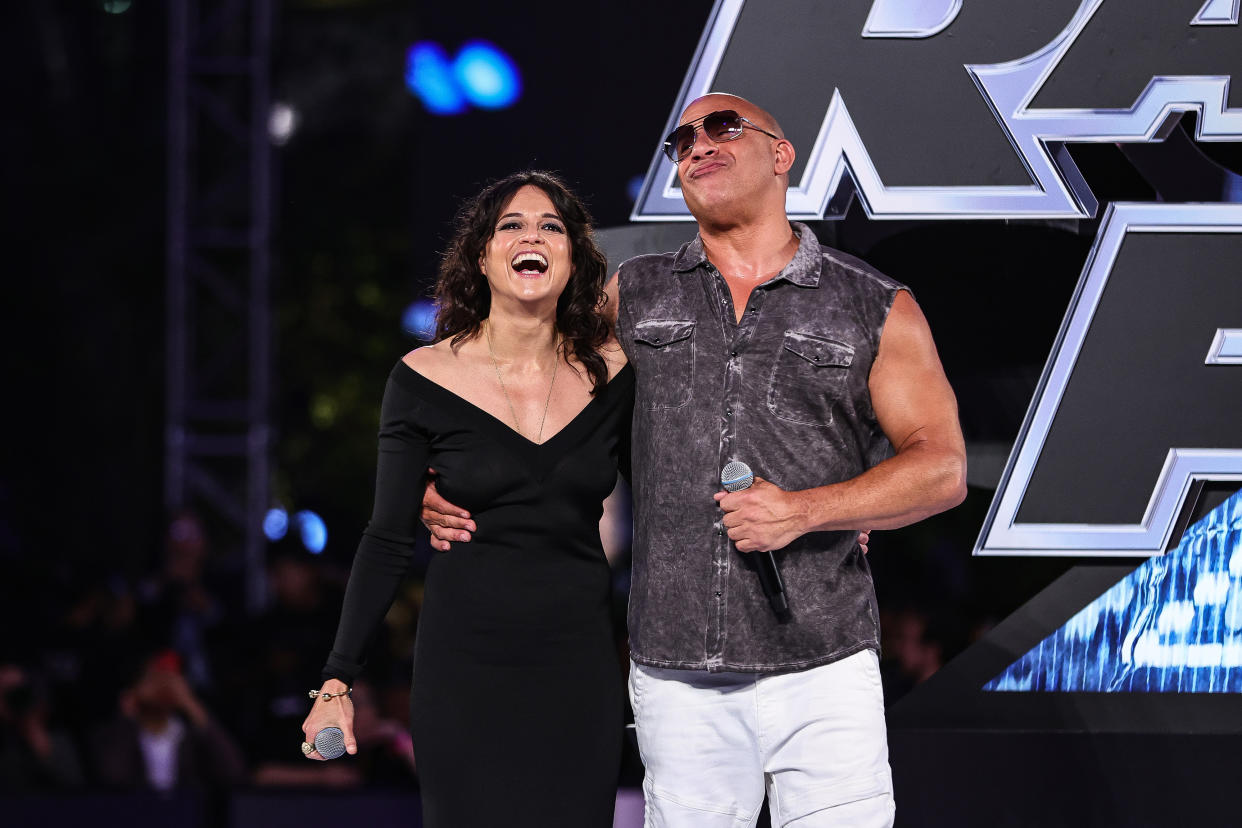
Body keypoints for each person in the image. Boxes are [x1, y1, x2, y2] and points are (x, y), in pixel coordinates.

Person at [423, 94, 967, 827]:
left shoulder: (870, 303)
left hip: (825, 665)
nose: (697, 144)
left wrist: (809, 510)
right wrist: (455, 478)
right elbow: (531, 399)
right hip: (676, 672)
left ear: (782, 155)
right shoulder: (634, 293)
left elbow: (941, 468)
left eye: (723, 127)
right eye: (682, 139)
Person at [302, 171, 632, 827]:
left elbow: (683, 480)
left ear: (574, 258)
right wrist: (336, 682)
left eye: (550, 227)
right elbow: (387, 539)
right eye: (510, 225)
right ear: (481, 256)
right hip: (465, 668)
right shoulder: (424, 377)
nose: (530, 235)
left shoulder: (618, 371)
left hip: (579, 668)